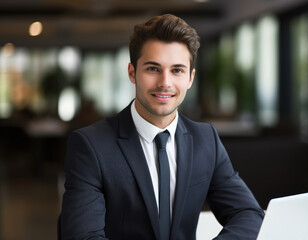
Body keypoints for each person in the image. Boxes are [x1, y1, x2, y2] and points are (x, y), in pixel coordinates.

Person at [61, 14, 264, 240]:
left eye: (177, 70)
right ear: (132, 73)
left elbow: (248, 213)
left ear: (190, 78)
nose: (165, 82)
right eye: (153, 69)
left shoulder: (206, 140)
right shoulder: (91, 145)